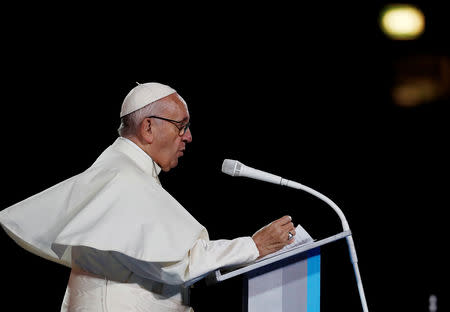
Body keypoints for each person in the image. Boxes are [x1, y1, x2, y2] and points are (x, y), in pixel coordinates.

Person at [0, 82, 297, 312]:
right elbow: (178, 264)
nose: (189, 136)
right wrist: (254, 246)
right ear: (148, 127)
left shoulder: (121, 170)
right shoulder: (123, 179)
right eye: (182, 126)